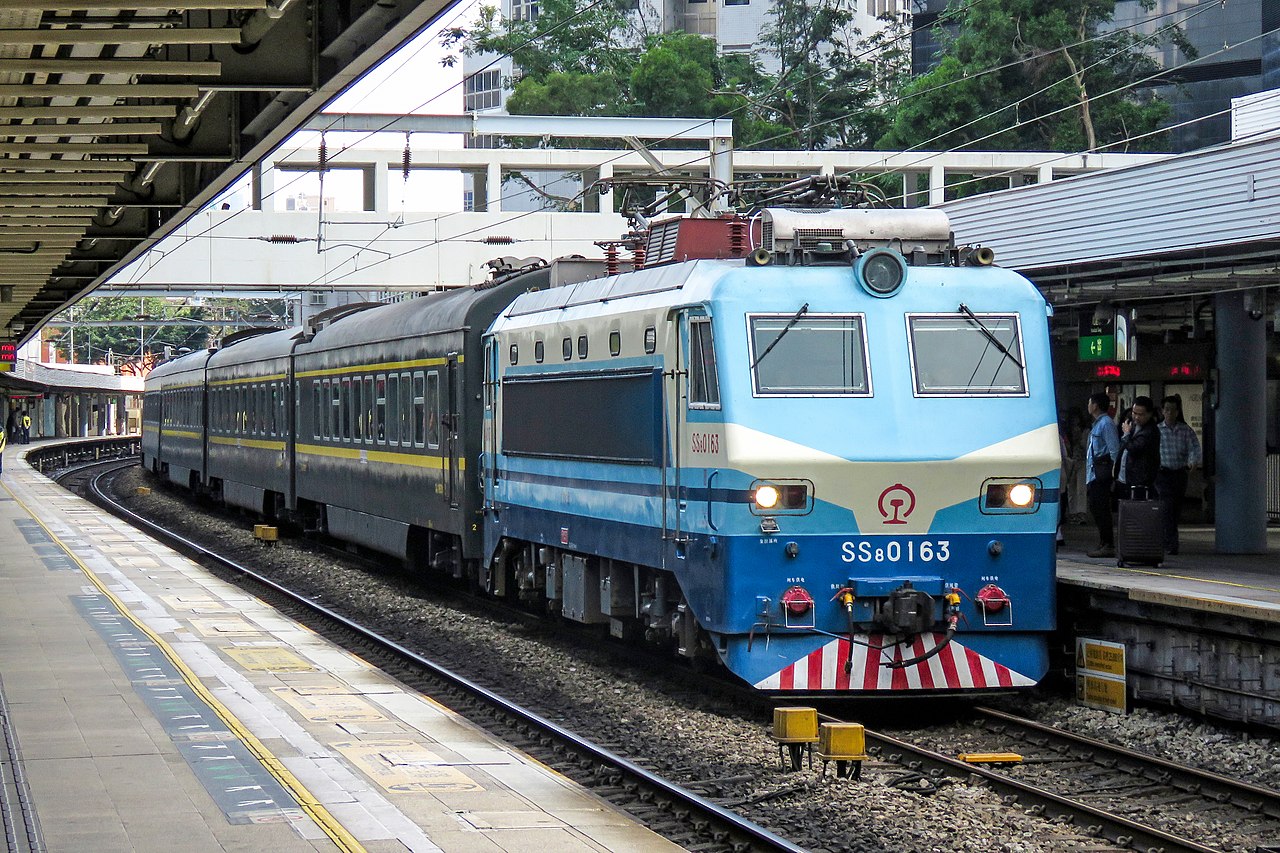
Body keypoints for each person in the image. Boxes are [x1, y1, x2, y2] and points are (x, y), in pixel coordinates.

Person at [1156, 395, 1201, 555]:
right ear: (1162, 411)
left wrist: (1193, 461)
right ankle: (1169, 543)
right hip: (1162, 474)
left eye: (1173, 410)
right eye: (1166, 409)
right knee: (1166, 507)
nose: (1169, 413)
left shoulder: (1185, 430)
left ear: (1177, 412)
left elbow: (1194, 447)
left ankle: (1170, 541)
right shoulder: (1157, 430)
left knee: (1175, 509)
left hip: (1179, 473)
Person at [1085, 392, 1121, 558]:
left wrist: (1114, 474)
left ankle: (1108, 544)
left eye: (1090, 402)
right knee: (1096, 508)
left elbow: (1114, 449)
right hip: (1094, 474)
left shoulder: (1106, 424)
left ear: (1096, 405)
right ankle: (1103, 542)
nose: (1088, 405)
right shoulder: (1097, 424)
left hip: (1102, 474)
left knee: (1101, 509)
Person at [1115, 395, 1161, 500]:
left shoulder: (1150, 431)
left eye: (1141, 414)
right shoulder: (1133, 425)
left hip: (1139, 480)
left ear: (1149, 414)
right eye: (1134, 413)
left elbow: (1134, 448)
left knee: (1136, 511)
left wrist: (1126, 434)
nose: (1136, 417)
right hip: (1125, 477)